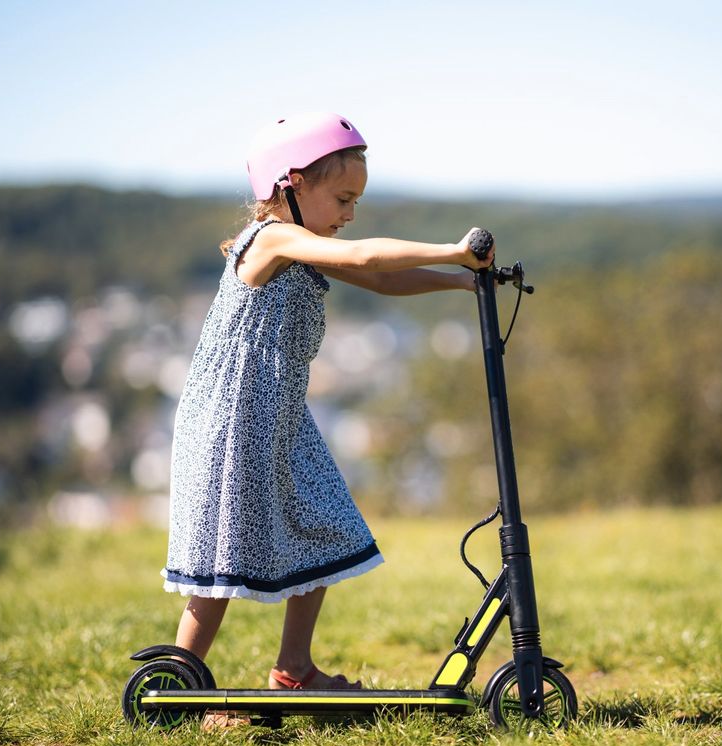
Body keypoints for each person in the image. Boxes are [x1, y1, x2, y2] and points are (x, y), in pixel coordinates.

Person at [161, 112, 493, 708]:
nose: (350, 214)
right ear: (291, 185)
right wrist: (454, 249)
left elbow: (384, 283)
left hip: (280, 415)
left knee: (326, 525)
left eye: (356, 201)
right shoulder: (272, 239)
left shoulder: (306, 247)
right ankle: (178, 675)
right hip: (235, 418)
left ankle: (293, 669)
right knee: (223, 549)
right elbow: (367, 258)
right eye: (342, 197)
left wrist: (463, 283)